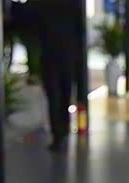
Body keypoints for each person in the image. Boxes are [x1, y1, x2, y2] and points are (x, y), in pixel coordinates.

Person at [37, 0, 82, 153]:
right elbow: (79, 30)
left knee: (53, 95)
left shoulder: (44, 4)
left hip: (49, 53)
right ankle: (64, 127)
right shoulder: (73, 4)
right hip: (67, 54)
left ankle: (58, 134)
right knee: (65, 92)